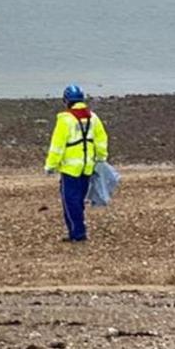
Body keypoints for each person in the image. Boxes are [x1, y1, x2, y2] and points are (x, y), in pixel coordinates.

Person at [44, 85, 108, 242]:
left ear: (66, 101)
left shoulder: (65, 120)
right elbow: (101, 140)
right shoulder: (93, 118)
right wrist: (101, 158)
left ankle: (77, 233)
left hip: (70, 168)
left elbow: (57, 146)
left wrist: (50, 165)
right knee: (78, 200)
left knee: (70, 201)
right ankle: (77, 231)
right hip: (87, 166)